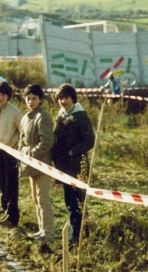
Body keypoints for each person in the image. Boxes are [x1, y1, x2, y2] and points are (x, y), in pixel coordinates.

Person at [51, 83, 96, 245]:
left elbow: (90, 140)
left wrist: (73, 151)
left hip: (77, 164)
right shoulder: (60, 115)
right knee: (69, 200)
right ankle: (85, 230)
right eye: (60, 98)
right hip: (63, 165)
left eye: (66, 98)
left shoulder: (80, 116)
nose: (63, 101)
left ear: (73, 98)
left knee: (78, 200)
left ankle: (75, 236)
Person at [18, 84, 55, 243]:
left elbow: (47, 142)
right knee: (35, 198)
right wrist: (22, 153)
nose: (31, 101)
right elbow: (21, 139)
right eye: (28, 98)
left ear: (40, 99)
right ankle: (41, 230)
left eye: (34, 98)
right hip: (28, 162)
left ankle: (49, 233)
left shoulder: (43, 116)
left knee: (43, 199)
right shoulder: (26, 117)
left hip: (41, 163)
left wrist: (31, 154)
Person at [0, 81, 22, 228]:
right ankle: (5, 211)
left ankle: (12, 217)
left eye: (3, 95)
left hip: (10, 152)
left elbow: (22, 132)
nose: (0, 98)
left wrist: (15, 147)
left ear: (8, 96)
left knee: (11, 184)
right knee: (1, 183)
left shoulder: (15, 112)